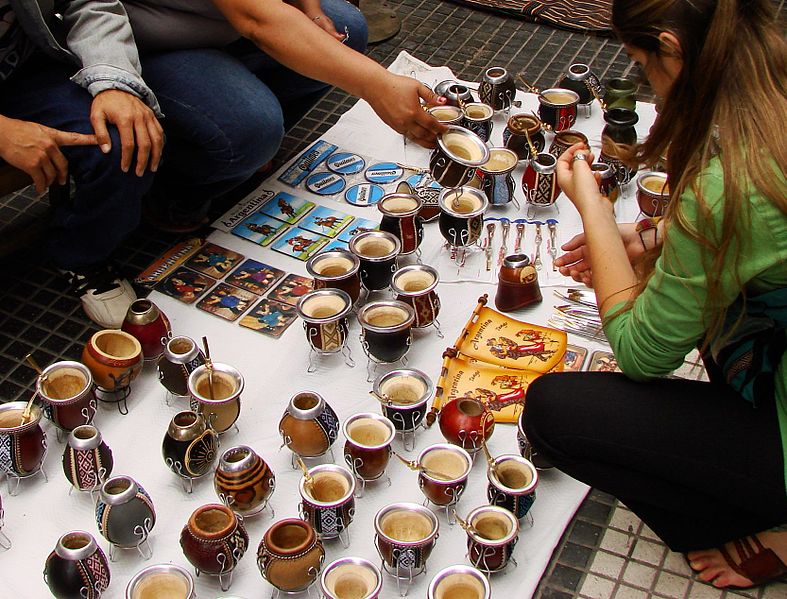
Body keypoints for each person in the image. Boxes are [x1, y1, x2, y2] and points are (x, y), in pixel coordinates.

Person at [523, 0, 787, 590]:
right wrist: (655, 236)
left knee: (554, 413)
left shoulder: (726, 187)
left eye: (644, 67)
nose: (651, 88)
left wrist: (593, 206)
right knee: (716, 309)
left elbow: (644, 355)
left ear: (672, 47)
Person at [120, 0, 447, 231]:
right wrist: (379, 87)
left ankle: (242, 141)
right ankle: (174, 197)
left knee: (347, 27)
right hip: (151, 44)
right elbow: (258, 19)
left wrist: (311, 9)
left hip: (224, 19)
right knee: (253, 127)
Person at [0, 0, 164, 327]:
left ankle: (81, 256)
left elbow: (89, 2)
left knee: (121, 140)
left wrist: (114, 82)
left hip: (25, 72)